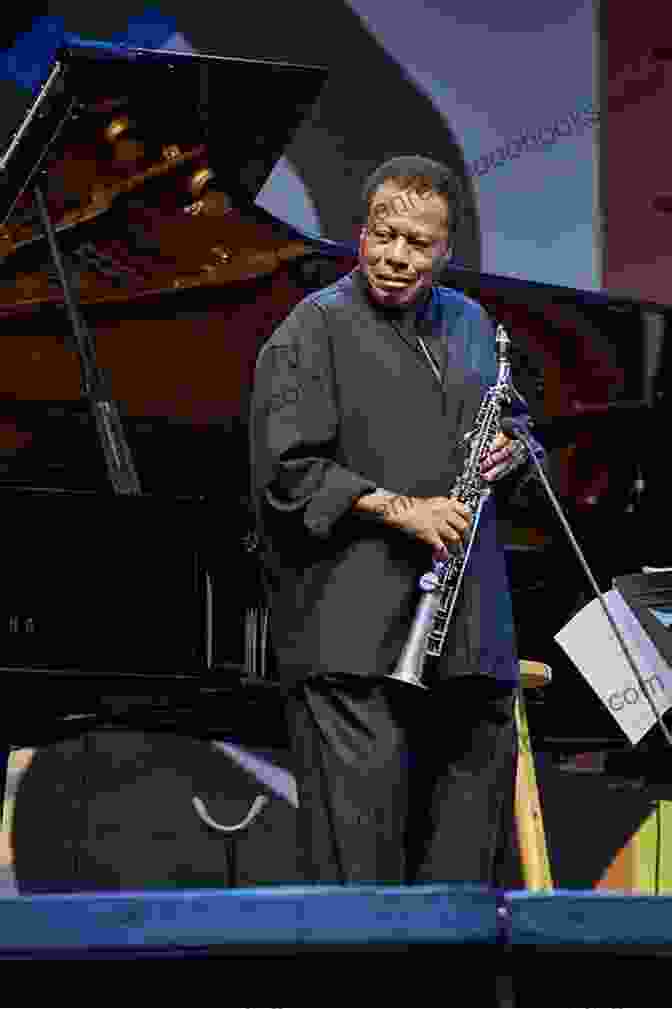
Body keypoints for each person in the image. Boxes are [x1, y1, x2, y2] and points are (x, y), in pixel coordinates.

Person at [249, 155, 546, 886]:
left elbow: (516, 427)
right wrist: (400, 510)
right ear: (362, 233)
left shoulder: (476, 325)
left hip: (470, 650)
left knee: (462, 890)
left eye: (417, 243)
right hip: (354, 650)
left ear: (446, 251)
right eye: (384, 235)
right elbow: (287, 472)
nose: (395, 256)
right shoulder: (311, 328)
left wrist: (514, 449)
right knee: (361, 888)